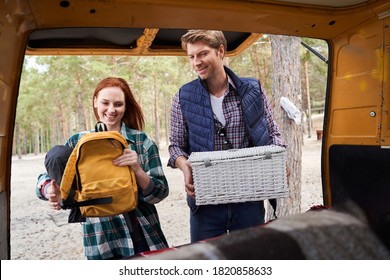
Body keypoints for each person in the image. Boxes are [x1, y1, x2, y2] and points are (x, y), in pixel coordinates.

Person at [168, 30, 284, 243]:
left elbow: (273, 134)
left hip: (249, 198)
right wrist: (184, 167)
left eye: (202, 54)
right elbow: (175, 146)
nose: (196, 62)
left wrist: (278, 159)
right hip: (205, 204)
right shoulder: (182, 97)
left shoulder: (253, 90)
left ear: (220, 51)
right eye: (191, 56)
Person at [36, 77, 169, 259]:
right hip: (99, 240)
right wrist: (50, 190)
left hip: (141, 235)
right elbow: (43, 180)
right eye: (105, 103)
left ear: (125, 107)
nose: (111, 110)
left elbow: (160, 193)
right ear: (95, 101)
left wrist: (137, 169)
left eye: (118, 104)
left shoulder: (142, 142)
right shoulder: (77, 142)